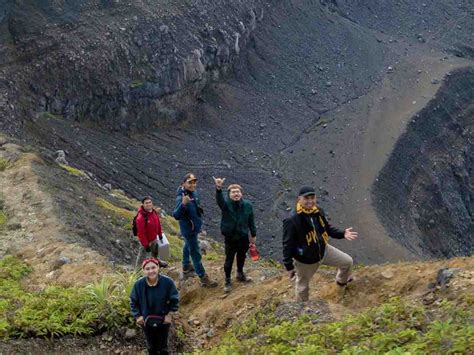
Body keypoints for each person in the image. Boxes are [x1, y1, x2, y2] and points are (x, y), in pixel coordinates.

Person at [282, 186, 358, 302]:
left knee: (347, 262)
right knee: (303, 287)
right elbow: (287, 244)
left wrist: (342, 234)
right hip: (305, 260)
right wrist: (289, 266)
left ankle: (341, 283)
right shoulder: (292, 219)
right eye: (306, 198)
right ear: (299, 199)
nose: (310, 201)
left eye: (312, 198)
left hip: (324, 250)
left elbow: (327, 228)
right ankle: (302, 308)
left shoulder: (318, 211)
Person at [173, 173, 217, 287]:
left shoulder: (193, 193)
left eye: (194, 182)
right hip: (189, 230)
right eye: (190, 182)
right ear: (183, 183)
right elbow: (176, 215)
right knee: (195, 252)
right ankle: (203, 277)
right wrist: (183, 204)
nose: (193, 184)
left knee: (187, 245)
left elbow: (196, 205)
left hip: (194, 227)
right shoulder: (181, 198)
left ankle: (186, 265)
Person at [213, 177, 256, 293]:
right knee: (229, 259)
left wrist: (253, 234)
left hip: (243, 236)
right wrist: (218, 188)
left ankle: (240, 273)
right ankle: (227, 280)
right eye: (233, 192)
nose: (236, 194)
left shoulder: (247, 205)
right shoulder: (226, 205)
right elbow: (219, 200)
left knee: (242, 256)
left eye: (238, 192)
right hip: (230, 238)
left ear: (241, 193)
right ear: (229, 194)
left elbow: (251, 220)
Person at [130, 258, 179, 355]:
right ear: (143, 271)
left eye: (153, 267)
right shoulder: (138, 285)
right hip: (146, 320)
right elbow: (133, 301)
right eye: (147, 269)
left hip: (163, 319)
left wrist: (169, 314)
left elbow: (175, 299)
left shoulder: (168, 282)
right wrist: (137, 316)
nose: (151, 271)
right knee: (151, 347)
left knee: (163, 347)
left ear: (158, 268)